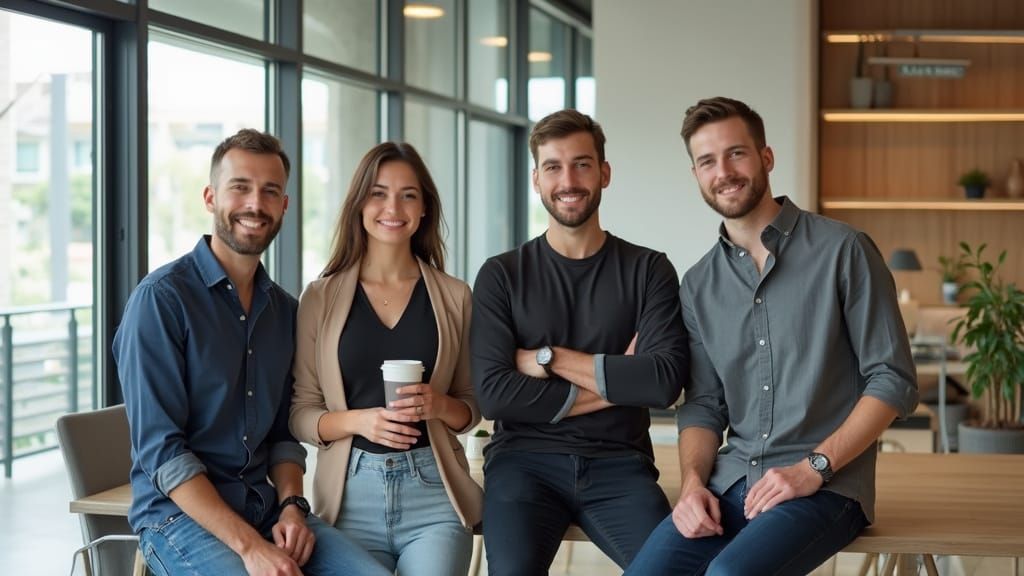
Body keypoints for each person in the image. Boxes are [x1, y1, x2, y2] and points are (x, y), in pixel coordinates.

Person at [626, 97, 919, 575]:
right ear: (696, 174)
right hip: (731, 482)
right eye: (707, 161)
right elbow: (704, 404)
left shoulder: (844, 250)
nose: (724, 172)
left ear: (766, 157)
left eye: (736, 153)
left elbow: (892, 378)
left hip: (827, 486)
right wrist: (693, 485)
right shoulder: (698, 285)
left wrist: (813, 467)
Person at [113, 129, 389, 576]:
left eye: (270, 191)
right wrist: (250, 547)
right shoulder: (161, 301)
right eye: (240, 187)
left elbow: (282, 435)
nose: (255, 204)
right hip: (178, 521)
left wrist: (293, 507)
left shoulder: (284, 311)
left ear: (285, 205)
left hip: (266, 512)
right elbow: (163, 453)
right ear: (210, 197)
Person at [471, 109, 689, 574]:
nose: (568, 181)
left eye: (582, 164)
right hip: (522, 464)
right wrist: (616, 381)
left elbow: (661, 382)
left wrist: (548, 358)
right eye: (553, 167)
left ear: (604, 173)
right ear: (536, 179)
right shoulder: (501, 275)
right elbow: (494, 394)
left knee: (672, 569)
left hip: (620, 465)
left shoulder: (649, 270)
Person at [289, 142, 482, 576]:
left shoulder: (455, 297)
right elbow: (301, 414)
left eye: (407, 195)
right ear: (359, 204)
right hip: (349, 500)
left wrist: (438, 405)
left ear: (424, 208)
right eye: (378, 193)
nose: (392, 207)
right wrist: (360, 421)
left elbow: (471, 408)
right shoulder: (319, 298)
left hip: (433, 496)